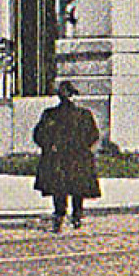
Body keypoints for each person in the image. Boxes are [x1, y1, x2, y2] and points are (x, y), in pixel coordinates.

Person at [33, 80, 102, 232]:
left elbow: (38, 135)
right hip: (77, 157)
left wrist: (49, 147)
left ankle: (61, 217)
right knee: (76, 188)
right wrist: (83, 147)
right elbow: (94, 135)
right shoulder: (82, 115)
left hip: (59, 157)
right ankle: (75, 216)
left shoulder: (51, 114)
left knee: (60, 189)